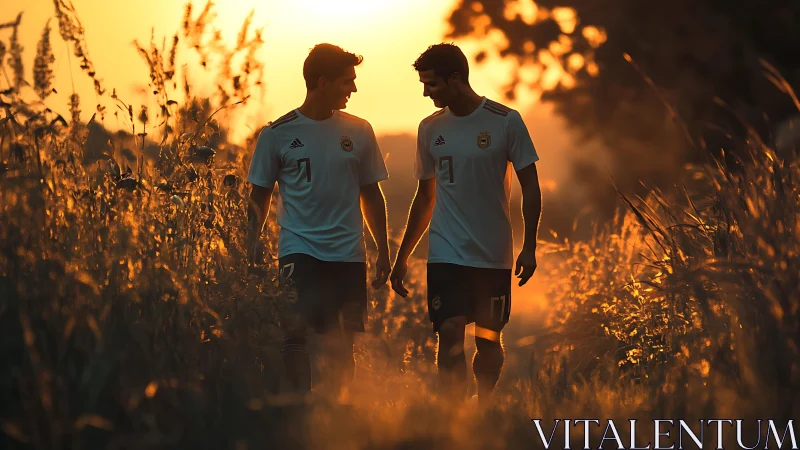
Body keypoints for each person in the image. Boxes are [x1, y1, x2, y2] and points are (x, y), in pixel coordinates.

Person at [389, 43, 542, 406]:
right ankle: (453, 419)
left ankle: (484, 411)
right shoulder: (429, 129)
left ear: (455, 78)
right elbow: (425, 198)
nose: (426, 92)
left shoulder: (505, 121)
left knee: (488, 338)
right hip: (446, 252)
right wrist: (402, 255)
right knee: (450, 331)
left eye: (432, 84)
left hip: (492, 253)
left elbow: (531, 186)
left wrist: (530, 245)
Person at [246, 43, 390, 397]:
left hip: (348, 254)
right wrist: (248, 248)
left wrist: (383, 250)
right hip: (299, 250)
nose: (353, 89)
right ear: (322, 82)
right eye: (346, 82)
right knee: (294, 332)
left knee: (343, 344)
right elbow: (258, 197)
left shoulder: (360, 130)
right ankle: (300, 406)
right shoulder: (276, 134)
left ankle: (335, 414)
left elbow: (372, 194)